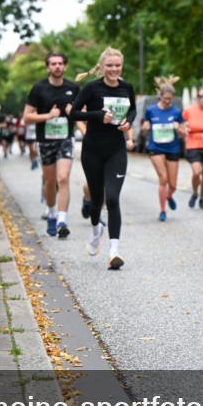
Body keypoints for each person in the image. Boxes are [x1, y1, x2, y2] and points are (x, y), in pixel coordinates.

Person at [71, 47, 137, 270]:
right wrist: (97, 116)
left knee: (112, 198)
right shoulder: (92, 88)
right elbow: (73, 113)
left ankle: (114, 252)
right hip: (92, 150)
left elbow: (133, 111)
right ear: (101, 67)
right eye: (109, 65)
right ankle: (95, 229)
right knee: (96, 199)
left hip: (116, 150)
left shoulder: (127, 87)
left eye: (117, 65)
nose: (114, 69)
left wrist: (128, 122)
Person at [24, 52, 79, 238]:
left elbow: (81, 115)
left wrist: (76, 116)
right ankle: (52, 212)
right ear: (48, 67)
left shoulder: (73, 88)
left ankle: (62, 220)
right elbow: (27, 117)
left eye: (60, 63)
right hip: (46, 140)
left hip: (66, 138)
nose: (57, 66)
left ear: (65, 67)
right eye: (53, 64)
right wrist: (48, 116)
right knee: (50, 181)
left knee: (63, 177)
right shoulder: (39, 88)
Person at [142, 76, 186, 221]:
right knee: (163, 178)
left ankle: (169, 195)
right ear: (160, 96)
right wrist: (146, 127)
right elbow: (145, 126)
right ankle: (162, 210)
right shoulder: (151, 110)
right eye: (165, 98)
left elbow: (183, 131)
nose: (167, 101)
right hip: (156, 147)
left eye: (170, 99)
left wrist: (179, 129)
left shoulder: (176, 112)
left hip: (172, 148)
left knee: (172, 185)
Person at [182, 87, 203, 209]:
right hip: (193, 144)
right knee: (197, 172)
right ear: (197, 98)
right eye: (201, 96)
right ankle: (195, 193)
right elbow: (181, 123)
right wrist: (183, 129)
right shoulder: (189, 110)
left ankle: (202, 197)